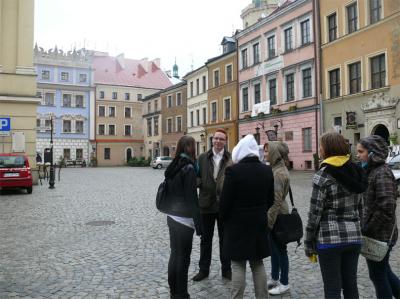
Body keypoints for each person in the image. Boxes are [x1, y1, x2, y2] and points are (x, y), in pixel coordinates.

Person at [304, 132, 367, 299]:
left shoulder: (323, 175)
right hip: (354, 237)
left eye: (321, 146)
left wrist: (309, 242)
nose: (319, 149)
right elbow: (361, 208)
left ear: (327, 149)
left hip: (329, 239)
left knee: (332, 288)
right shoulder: (357, 172)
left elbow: (314, 213)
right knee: (351, 285)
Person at [219, 134, 274, 299]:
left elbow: (225, 202)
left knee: (237, 264)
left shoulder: (233, 171)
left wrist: (225, 218)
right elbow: (271, 199)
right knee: (257, 263)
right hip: (258, 222)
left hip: (237, 224)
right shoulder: (266, 170)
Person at [357, 135, 400, 298]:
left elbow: (387, 207)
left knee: (378, 276)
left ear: (372, 153)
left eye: (361, 151)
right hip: (377, 234)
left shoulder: (381, 173)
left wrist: (368, 227)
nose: (358, 155)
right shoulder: (373, 171)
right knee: (383, 272)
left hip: (380, 235)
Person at [163, 136, 201, 299]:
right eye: (194, 146)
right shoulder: (189, 168)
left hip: (172, 216)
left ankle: (174, 291)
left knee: (174, 254)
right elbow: (191, 198)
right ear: (190, 148)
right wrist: (199, 225)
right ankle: (182, 293)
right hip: (184, 219)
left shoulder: (174, 165)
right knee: (183, 257)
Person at [192, 129, 232, 281]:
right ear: (212, 140)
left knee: (225, 239)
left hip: (224, 205)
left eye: (221, 139)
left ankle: (226, 270)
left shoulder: (230, 159)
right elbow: (195, 177)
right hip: (206, 204)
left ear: (225, 141)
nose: (218, 141)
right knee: (205, 240)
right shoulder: (202, 157)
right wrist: (201, 183)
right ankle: (204, 270)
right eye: (216, 138)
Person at [264, 142, 291, 295]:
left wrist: (269, 222)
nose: (265, 153)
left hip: (278, 215)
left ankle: (285, 282)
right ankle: (275, 278)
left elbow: (276, 201)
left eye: (267, 151)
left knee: (281, 250)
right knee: (274, 249)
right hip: (276, 214)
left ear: (275, 153)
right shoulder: (275, 169)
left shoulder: (279, 173)